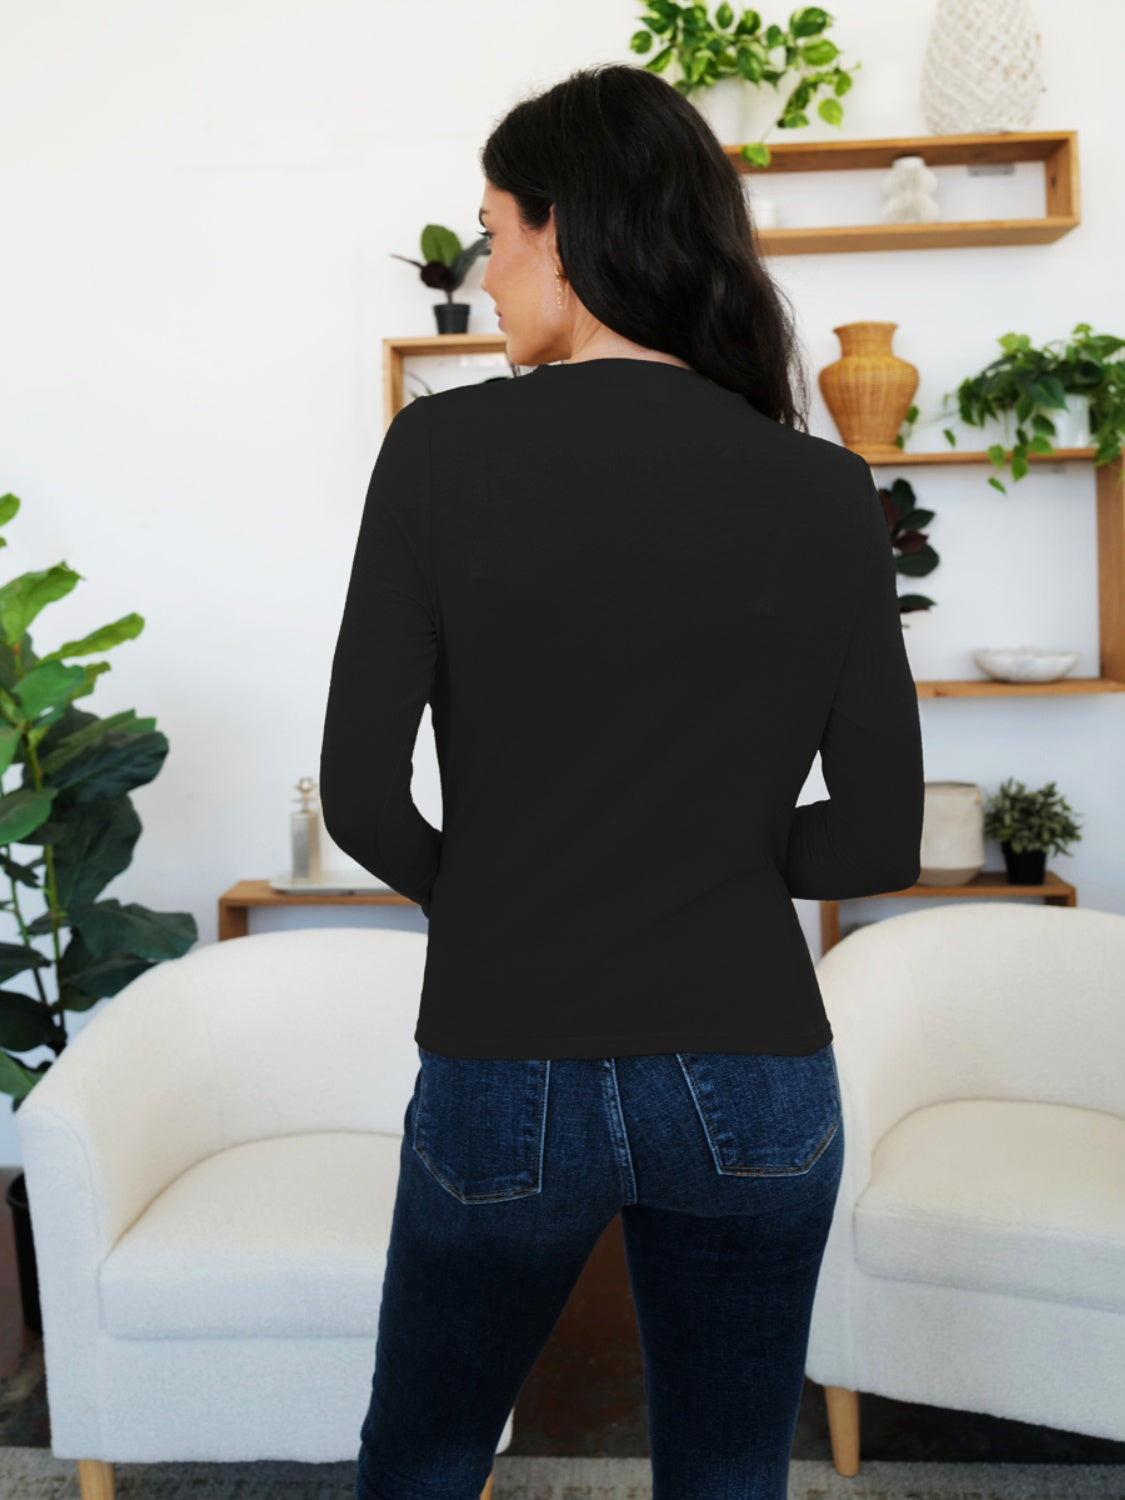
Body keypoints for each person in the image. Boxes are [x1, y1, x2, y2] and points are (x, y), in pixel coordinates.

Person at [319, 61, 925, 1500]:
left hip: (504, 1049)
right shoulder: (827, 490)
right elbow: (876, 838)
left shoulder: (440, 451)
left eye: (491, 228)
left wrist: (511, 891)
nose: (486, 264)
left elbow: (360, 797)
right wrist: (711, 851)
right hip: (755, 1078)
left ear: (563, 231)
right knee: (725, 1471)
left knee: (423, 1453)